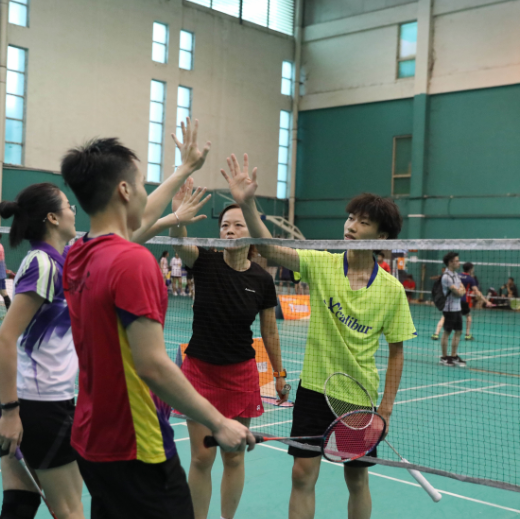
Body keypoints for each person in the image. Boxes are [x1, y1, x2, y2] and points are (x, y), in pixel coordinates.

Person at [61, 123, 254, 518]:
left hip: (90, 437)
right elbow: (151, 365)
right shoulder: (133, 261)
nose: (146, 193)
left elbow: (136, 220)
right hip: (137, 441)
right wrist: (218, 422)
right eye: (141, 185)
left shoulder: (78, 253)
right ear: (124, 190)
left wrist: (184, 169)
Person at [221, 153, 415, 519]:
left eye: (363, 222)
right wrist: (247, 204)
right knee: (301, 474)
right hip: (314, 389)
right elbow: (270, 249)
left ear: (382, 236)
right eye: (351, 217)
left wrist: (385, 409)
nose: (351, 226)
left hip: (358, 398)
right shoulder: (323, 263)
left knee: (356, 479)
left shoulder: (391, 290)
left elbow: (396, 352)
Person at [170, 184, 287, 519]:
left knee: (234, 455)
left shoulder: (262, 279)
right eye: (225, 225)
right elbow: (179, 242)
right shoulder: (204, 261)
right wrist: (179, 218)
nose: (230, 230)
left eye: (238, 224)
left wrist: (279, 375)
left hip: (240, 376)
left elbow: (269, 331)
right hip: (199, 373)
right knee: (201, 457)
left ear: (251, 232)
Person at [0, 183, 85, 519]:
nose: (73, 211)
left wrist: (173, 215)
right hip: (38, 407)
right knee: (70, 510)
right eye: (68, 205)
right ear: (52, 217)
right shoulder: (43, 264)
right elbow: (5, 339)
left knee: (19, 505)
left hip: (29, 402)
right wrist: (10, 413)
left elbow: (129, 232)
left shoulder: (62, 258)